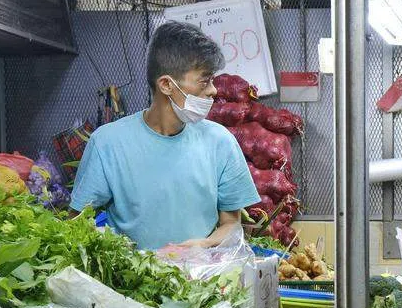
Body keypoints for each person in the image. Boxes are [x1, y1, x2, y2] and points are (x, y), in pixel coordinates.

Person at [69, 21, 259, 250]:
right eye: (204, 81)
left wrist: (205, 245)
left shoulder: (220, 142)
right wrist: (122, 256)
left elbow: (232, 224)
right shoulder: (107, 143)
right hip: (131, 273)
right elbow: (77, 222)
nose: (213, 90)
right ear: (167, 85)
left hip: (203, 271)